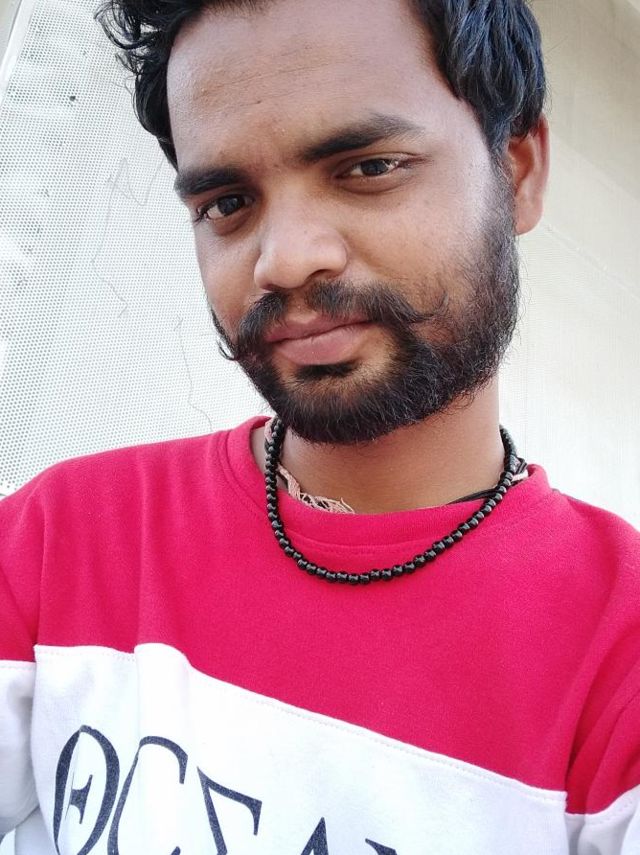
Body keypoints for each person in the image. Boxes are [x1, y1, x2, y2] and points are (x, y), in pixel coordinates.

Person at [0, 0, 638, 852]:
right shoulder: (63, 535)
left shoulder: (617, 652)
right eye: (228, 202)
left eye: (368, 167)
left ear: (517, 170)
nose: (285, 258)